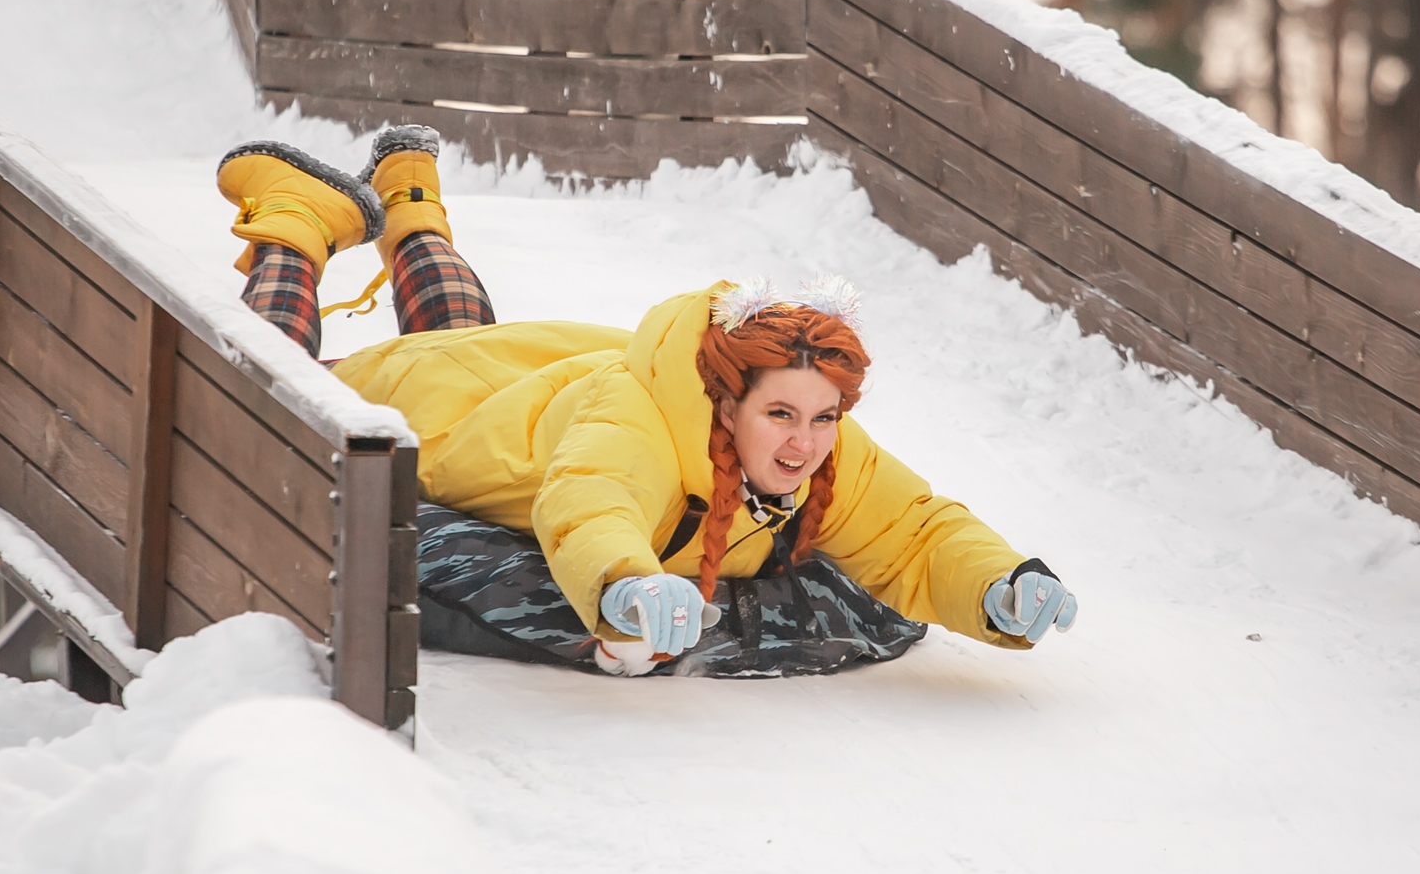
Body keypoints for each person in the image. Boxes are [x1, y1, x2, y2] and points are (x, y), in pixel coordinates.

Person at [217, 127, 1078, 675]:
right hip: (432, 409)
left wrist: (998, 583)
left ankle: (410, 201)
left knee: (462, 332)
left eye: (824, 418)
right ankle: (297, 219)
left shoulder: (817, 448)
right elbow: (591, 502)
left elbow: (911, 530)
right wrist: (628, 582)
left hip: (528, 375)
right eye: (781, 416)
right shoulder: (637, 426)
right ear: (727, 403)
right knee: (270, 380)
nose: (805, 443)